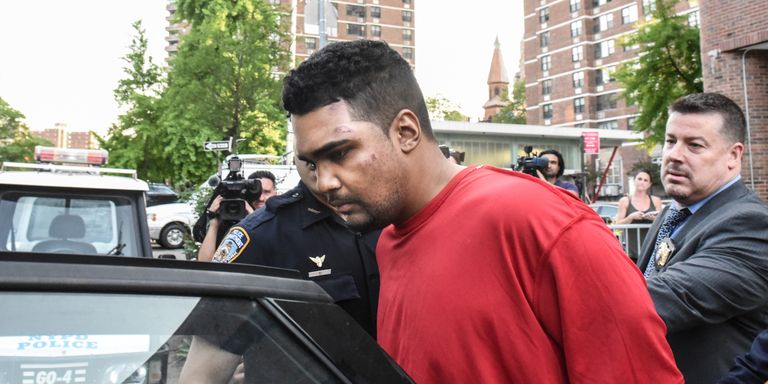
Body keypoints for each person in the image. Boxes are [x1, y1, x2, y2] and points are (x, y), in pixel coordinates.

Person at [282, 40, 682, 383]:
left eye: (340, 153)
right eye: (313, 164)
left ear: (405, 131)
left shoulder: (541, 222)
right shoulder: (388, 240)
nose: (324, 182)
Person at [179, 160, 381, 383]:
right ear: (298, 155)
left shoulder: (393, 222)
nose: (325, 174)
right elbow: (201, 376)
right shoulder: (259, 236)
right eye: (312, 159)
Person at [636, 92, 768, 383]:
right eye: (671, 141)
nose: (673, 155)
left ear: (734, 156)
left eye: (694, 145)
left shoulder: (753, 225)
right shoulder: (674, 212)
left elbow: (661, 298)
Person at [196, 170, 277, 261]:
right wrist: (214, 224)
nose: (261, 198)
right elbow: (206, 262)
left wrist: (253, 219)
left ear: (276, 193)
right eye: (256, 193)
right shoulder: (234, 223)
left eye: (266, 192)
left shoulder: (280, 221)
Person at [615, 169, 664, 260]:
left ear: (649, 184)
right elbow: (617, 226)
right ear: (634, 181)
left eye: (646, 180)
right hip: (631, 252)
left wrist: (653, 219)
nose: (642, 182)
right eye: (639, 179)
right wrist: (631, 217)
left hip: (652, 250)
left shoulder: (656, 200)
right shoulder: (625, 201)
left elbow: (663, 223)